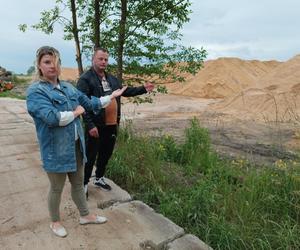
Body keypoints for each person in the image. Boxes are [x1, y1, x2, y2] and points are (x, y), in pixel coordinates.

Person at [26, 46, 126, 238]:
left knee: (79, 184)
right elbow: (52, 118)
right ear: (39, 65)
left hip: (76, 146)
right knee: (56, 188)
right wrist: (76, 113)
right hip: (55, 150)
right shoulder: (36, 92)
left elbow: (90, 103)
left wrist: (111, 97)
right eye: (47, 62)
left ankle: (85, 215)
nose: (52, 66)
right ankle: (55, 222)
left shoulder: (68, 88)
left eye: (55, 61)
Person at [77, 47, 154, 195]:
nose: (103, 62)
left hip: (111, 125)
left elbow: (126, 91)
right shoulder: (85, 79)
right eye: (100, 59)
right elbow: (82, 104)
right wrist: (90, 125)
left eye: (106, 59)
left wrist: (143, 89)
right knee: (90, 155)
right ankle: (84, 184)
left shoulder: (112, 79)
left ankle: (99, 177)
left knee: (106, 153)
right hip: (95, 126)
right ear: (93, 59)